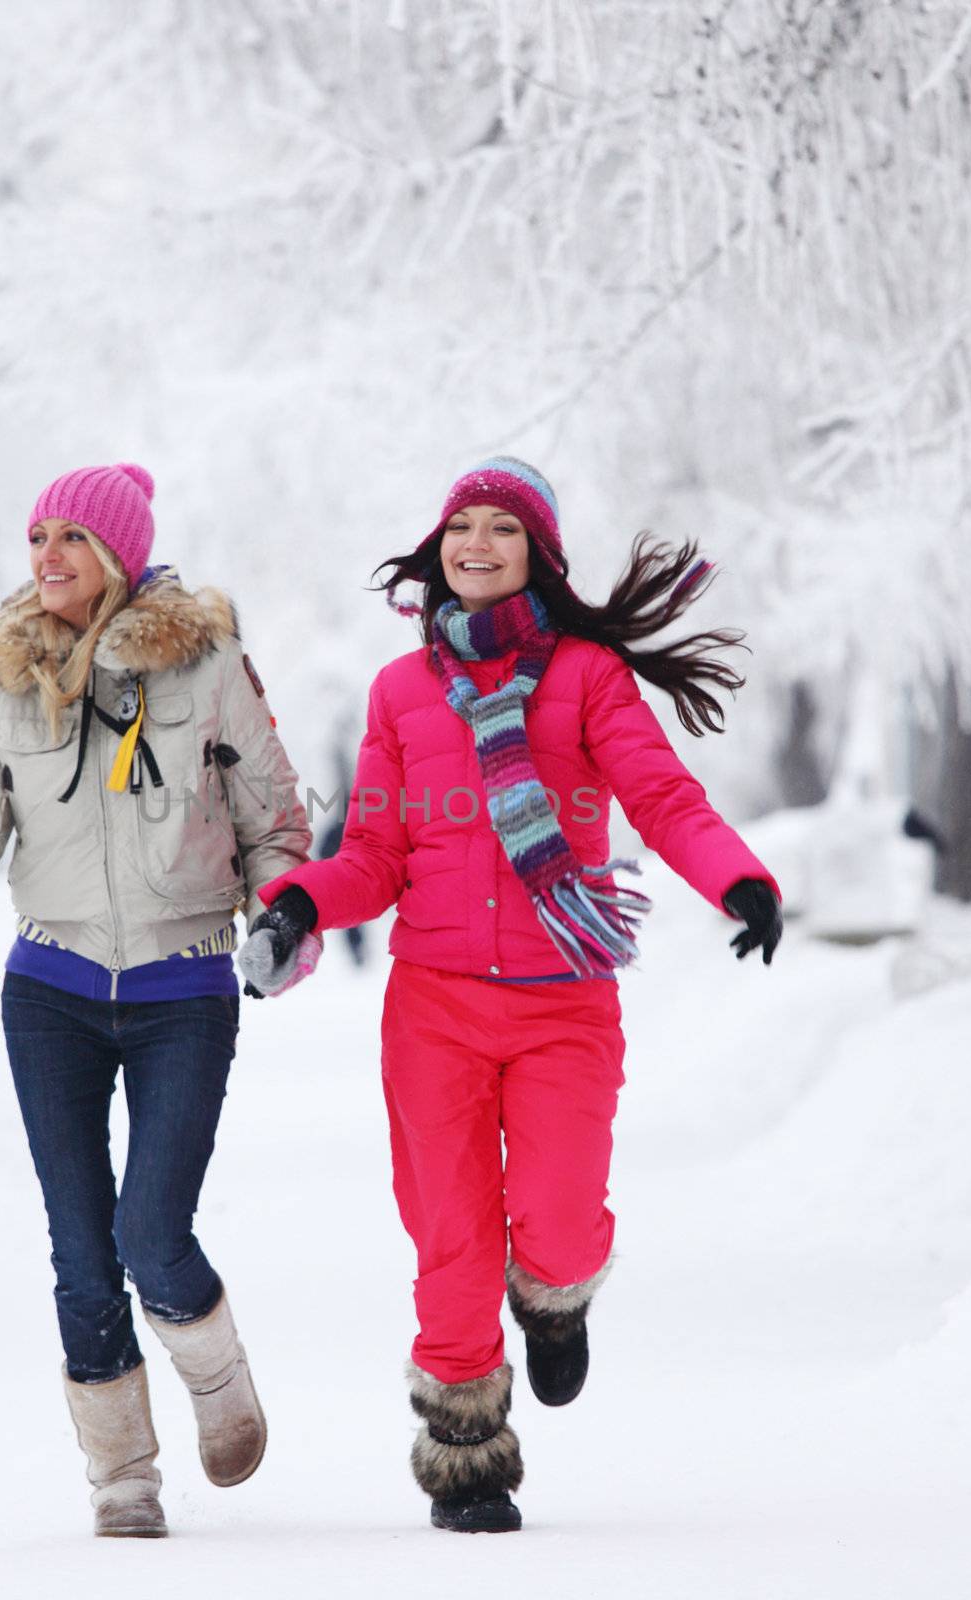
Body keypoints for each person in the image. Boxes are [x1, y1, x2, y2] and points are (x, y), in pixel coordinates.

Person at [238, 457, 781, 1534]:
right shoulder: (401, 691)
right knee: (450, 1234)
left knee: (562, 1221)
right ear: (436, 547)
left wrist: (738, 877)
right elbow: (377, 853)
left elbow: (660, 796)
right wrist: (299, 903)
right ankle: (466, 1452)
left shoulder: (584, 675)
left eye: (501, 528)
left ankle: (555, 1296)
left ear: (537, 553)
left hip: (562, 1000)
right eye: (459, 527)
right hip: (432, 1004)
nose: (475, 544)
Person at [0, 463, 311, 1539]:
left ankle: (215, 1372)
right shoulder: (1, 680)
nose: (47, 556)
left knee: (151, 1232)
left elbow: (276, 826)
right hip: (51, 992)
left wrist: (285, 920)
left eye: (72, 538)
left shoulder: (207, 662)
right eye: (38, 535)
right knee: (81, 1248)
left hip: (186, 988)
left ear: (122, 556)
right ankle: (121, 1473)